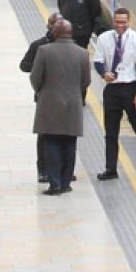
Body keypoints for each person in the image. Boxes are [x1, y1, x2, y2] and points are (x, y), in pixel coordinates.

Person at [91, 7, 136, 180]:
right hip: (112, 89)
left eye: (123, 22)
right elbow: (97, 61)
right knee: (111, 131)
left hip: (131, 87)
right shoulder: (104, 39)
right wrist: (104, 73)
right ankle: (110, 168)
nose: (120, 25)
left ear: (129, 21)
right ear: (113, 22)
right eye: (117, 22)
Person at [30, 18, 89, 195]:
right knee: (70, 144)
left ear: (54, 32)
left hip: (49, 104)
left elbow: (35, 78)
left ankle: (54, 183)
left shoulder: (44, 51)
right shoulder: (82, 53)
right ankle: (65, 183)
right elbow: (86, 81)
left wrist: (43, 91)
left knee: (51, 143)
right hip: (73, 105)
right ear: (71, 33)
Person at [20, 13, 67, 185]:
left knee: (65, 134)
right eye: (55, 25)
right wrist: (41, 67)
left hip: (65, 97)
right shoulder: (39, 45)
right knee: (44, 134)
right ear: (49, 26)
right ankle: (43, 169)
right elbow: (24, 65)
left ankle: (63, 169)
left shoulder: (69, 46)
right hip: (45, 96)